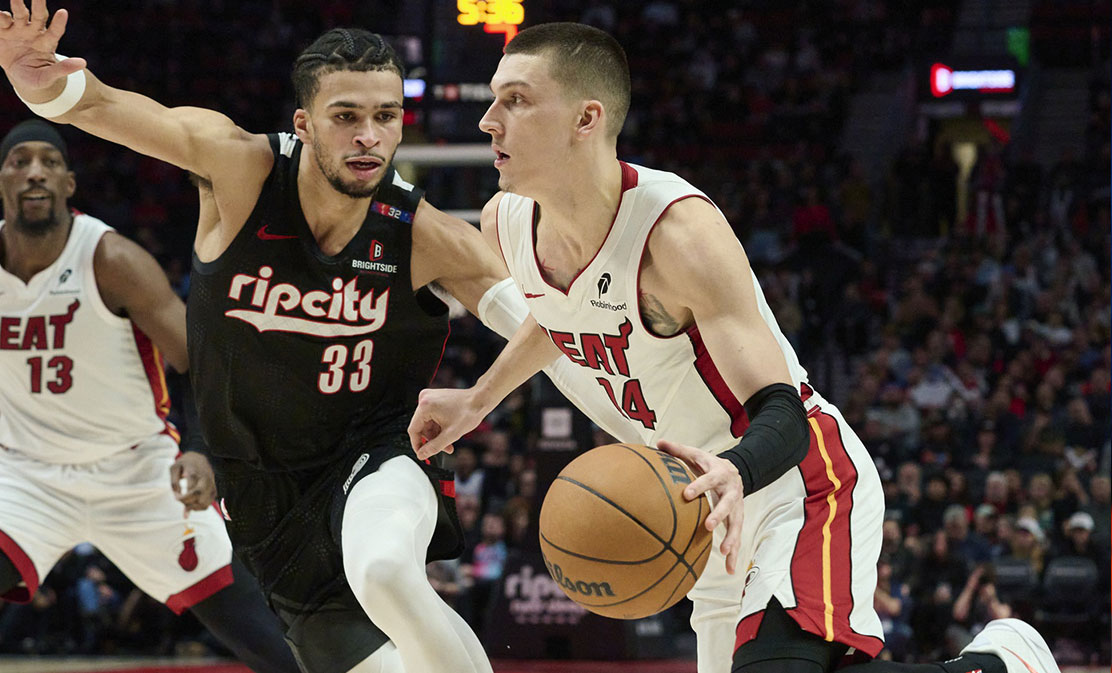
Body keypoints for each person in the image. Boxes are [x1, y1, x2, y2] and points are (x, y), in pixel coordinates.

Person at [409, 22, 1061, 673]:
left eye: (516, 100)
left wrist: (737, 471)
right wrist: (479, 398)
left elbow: (782, 413)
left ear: (586, 118)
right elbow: (558, 315)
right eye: (494, 99)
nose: (490, 120)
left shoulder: (678, 234)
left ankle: (1003, 661)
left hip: (793, 482)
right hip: (700, 505)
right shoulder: (508, 220)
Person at [0, 3, 625, 671]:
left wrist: (623, 427)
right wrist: (40, 80)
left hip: (377, 455)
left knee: (385, 570)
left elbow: (559, 324)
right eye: (346, 116)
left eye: (385, 116)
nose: (369, 137)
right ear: (304, 124)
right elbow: (110, 108)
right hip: (269, 506)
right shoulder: (239, 171)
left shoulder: (426, 235)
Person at [0, 120, 300, 673]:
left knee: (274, 645)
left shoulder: (112, 261)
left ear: (69, 183)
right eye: (21, 162)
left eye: (49, 161)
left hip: (141, 477)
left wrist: (200, 448)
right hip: (27, 480)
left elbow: (202, 359)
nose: (36, 171)